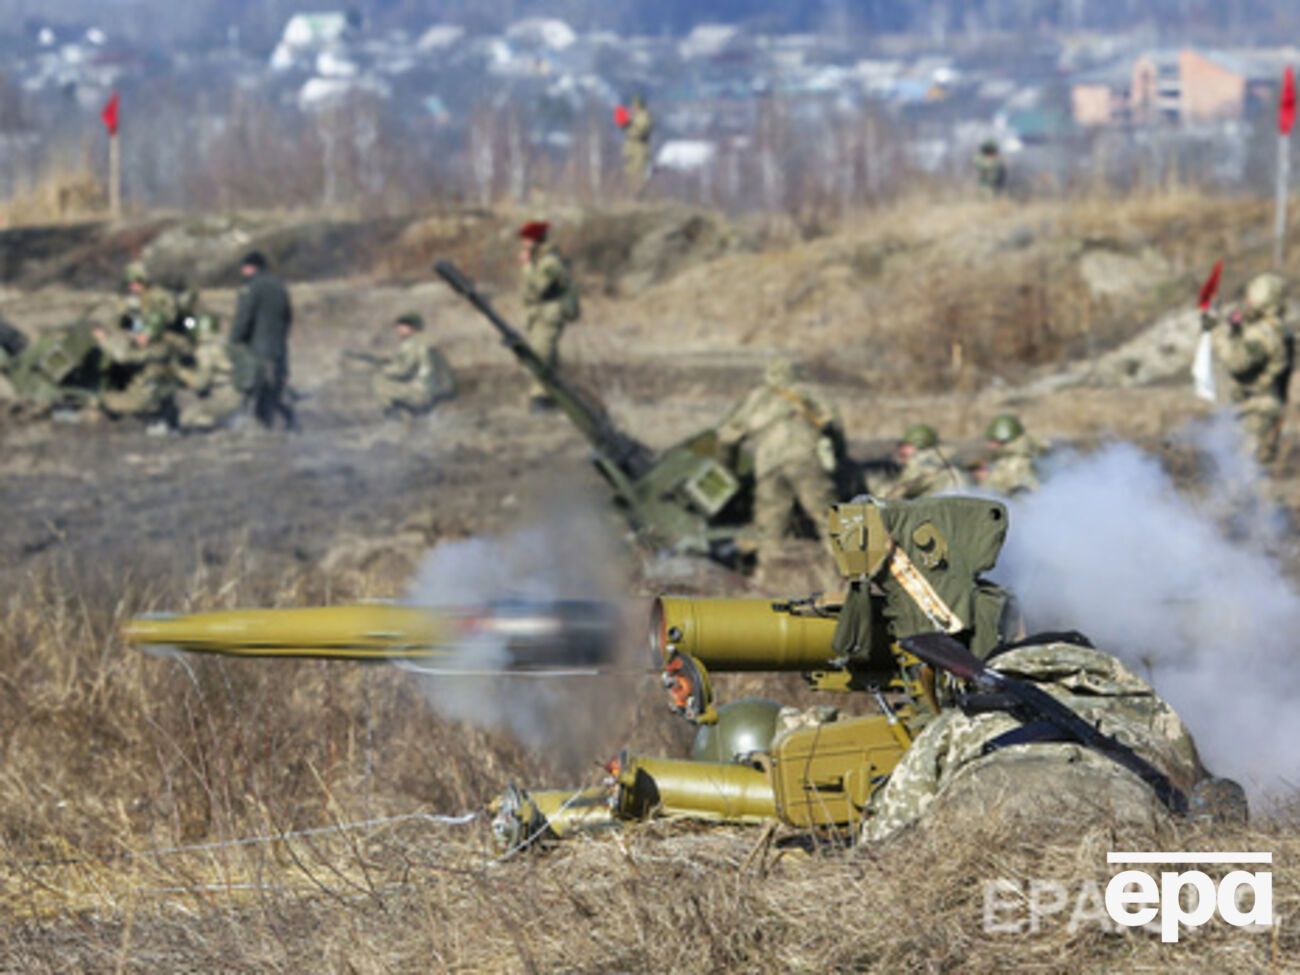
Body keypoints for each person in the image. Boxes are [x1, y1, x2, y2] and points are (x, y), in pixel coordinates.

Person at [861, 635, 1244, 842]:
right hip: (1124, 815)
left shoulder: (959, 718)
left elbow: (891, 823)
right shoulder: (1149, 708)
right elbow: (1201, 792)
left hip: (984, 800)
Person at [717, 358, 841, 557]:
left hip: (769, 467)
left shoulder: (755, 399)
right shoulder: (810, 395)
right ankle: (850, 575)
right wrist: (838, 461)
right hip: (807, 462)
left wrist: (727, 469)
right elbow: (834, 428)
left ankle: (767, 575)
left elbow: (727, 438)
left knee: (769, 530)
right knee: (829, 520)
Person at [1204, 272, 1294, 465]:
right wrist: (1234, 330)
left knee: (1242, 474)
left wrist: (1215, 328)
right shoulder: (1276, 329)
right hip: (1261, 408)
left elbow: (1236, 361)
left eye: (1250, 297)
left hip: (1255, 411)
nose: (1247, 302)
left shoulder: (1264, 333)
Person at [230, 251, 296, 430]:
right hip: (279, 348)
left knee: (255, 389)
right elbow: (288, 317)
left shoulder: (251, 287)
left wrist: (234, 340)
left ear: (251, 267)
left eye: (244, 267)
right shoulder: (279, 286)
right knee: (274, 388)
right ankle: (286, 424)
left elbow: (244, 318)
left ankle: (257, 428)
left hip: (257, 349)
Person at [519, 221, 580, 412]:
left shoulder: (549, 262)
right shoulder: (542, 260)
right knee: (547, 355)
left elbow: (538, 288)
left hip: (550, 315)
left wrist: (527, 267)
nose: (523, 243)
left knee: (541, 355)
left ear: (535, 240)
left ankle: (541, 398)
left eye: (526, 239)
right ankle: (553, 396)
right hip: (542, 315)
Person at [174, 314, 251, 433]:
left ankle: (216, 424)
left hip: (224, 397)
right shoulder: (225, 342)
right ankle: (228, 421)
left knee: (185, 419)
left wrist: (182, 373)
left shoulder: (206, 350)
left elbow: (200, 384)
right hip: (239, 395)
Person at [372, 312, 457, 418]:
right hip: (438, 389)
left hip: (424, 392)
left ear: (411, 327)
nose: (398, 329)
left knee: (379, 381)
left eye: (402, 326)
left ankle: (396, 417)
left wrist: (383, 368)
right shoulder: (425, 341)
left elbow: (404, 371)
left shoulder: (412, 344)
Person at [91, 322, 177, 424]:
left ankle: (157, 417)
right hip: (152, 390)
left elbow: (124, 357)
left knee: (102, 401)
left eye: (145, 335)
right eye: (140, 334)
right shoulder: (157, 345)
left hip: (147, 397)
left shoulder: (158, 349)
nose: (140, 337)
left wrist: (104, 340)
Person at [881, 424, 968, 499]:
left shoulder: (923, 464)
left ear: (920, 445)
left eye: (906, 445)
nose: (901, 450)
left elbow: (892, 493)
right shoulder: (947, 460)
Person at [974, 413, 1042, 495]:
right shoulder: (1007, 458)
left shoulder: (1018, 462)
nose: (988, 444)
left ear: (1002, 439)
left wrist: (986, 478)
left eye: (992, 439)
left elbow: (1016, 492)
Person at [118, 261, 179, 341]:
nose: (133, 286)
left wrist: (149, 332)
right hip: (132, 337)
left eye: (136, 282)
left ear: (143, 281)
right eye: (129, 283)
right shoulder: (125, 299)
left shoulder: (158, 295)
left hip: (160, 337)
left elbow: (170, 315)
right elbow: (122, 321)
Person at [622, 95, 653, 194]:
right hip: (631, 148)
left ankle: (638, 194)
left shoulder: (644, 115)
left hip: (640, 147)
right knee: (629, 172)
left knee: (639, 172)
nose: (633, 106)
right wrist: (625, 122)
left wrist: (630, 122)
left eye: (635, 104)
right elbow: (628, 130)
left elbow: (642, 130)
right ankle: (630, 192)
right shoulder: (633, 115)